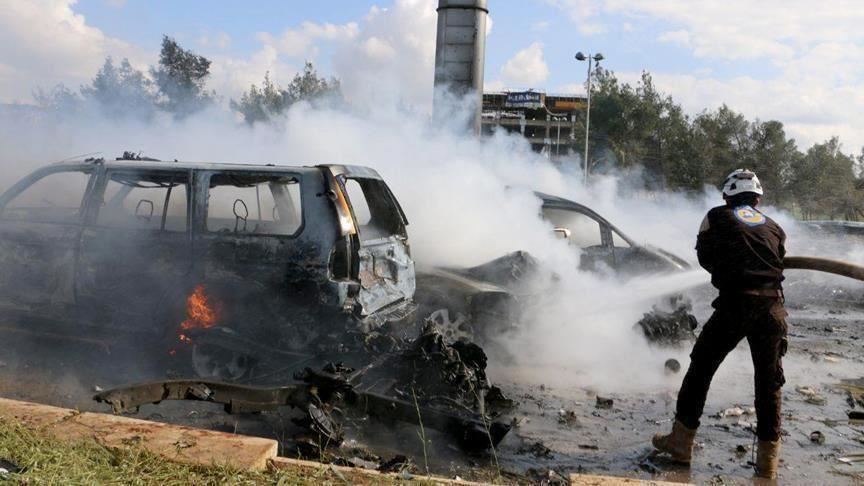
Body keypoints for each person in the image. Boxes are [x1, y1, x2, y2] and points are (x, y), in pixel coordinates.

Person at [652, 169, 788, 480]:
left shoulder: (716, 216)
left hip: (735, 305)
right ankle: (767, 464)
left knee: (700, 369)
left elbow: (705, 257)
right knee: (769, 384)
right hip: (773, 309)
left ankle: (680, 443)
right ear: (757, 199)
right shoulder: (775, 227)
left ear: (727, 196)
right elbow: (779, 259)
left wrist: (730, 268)